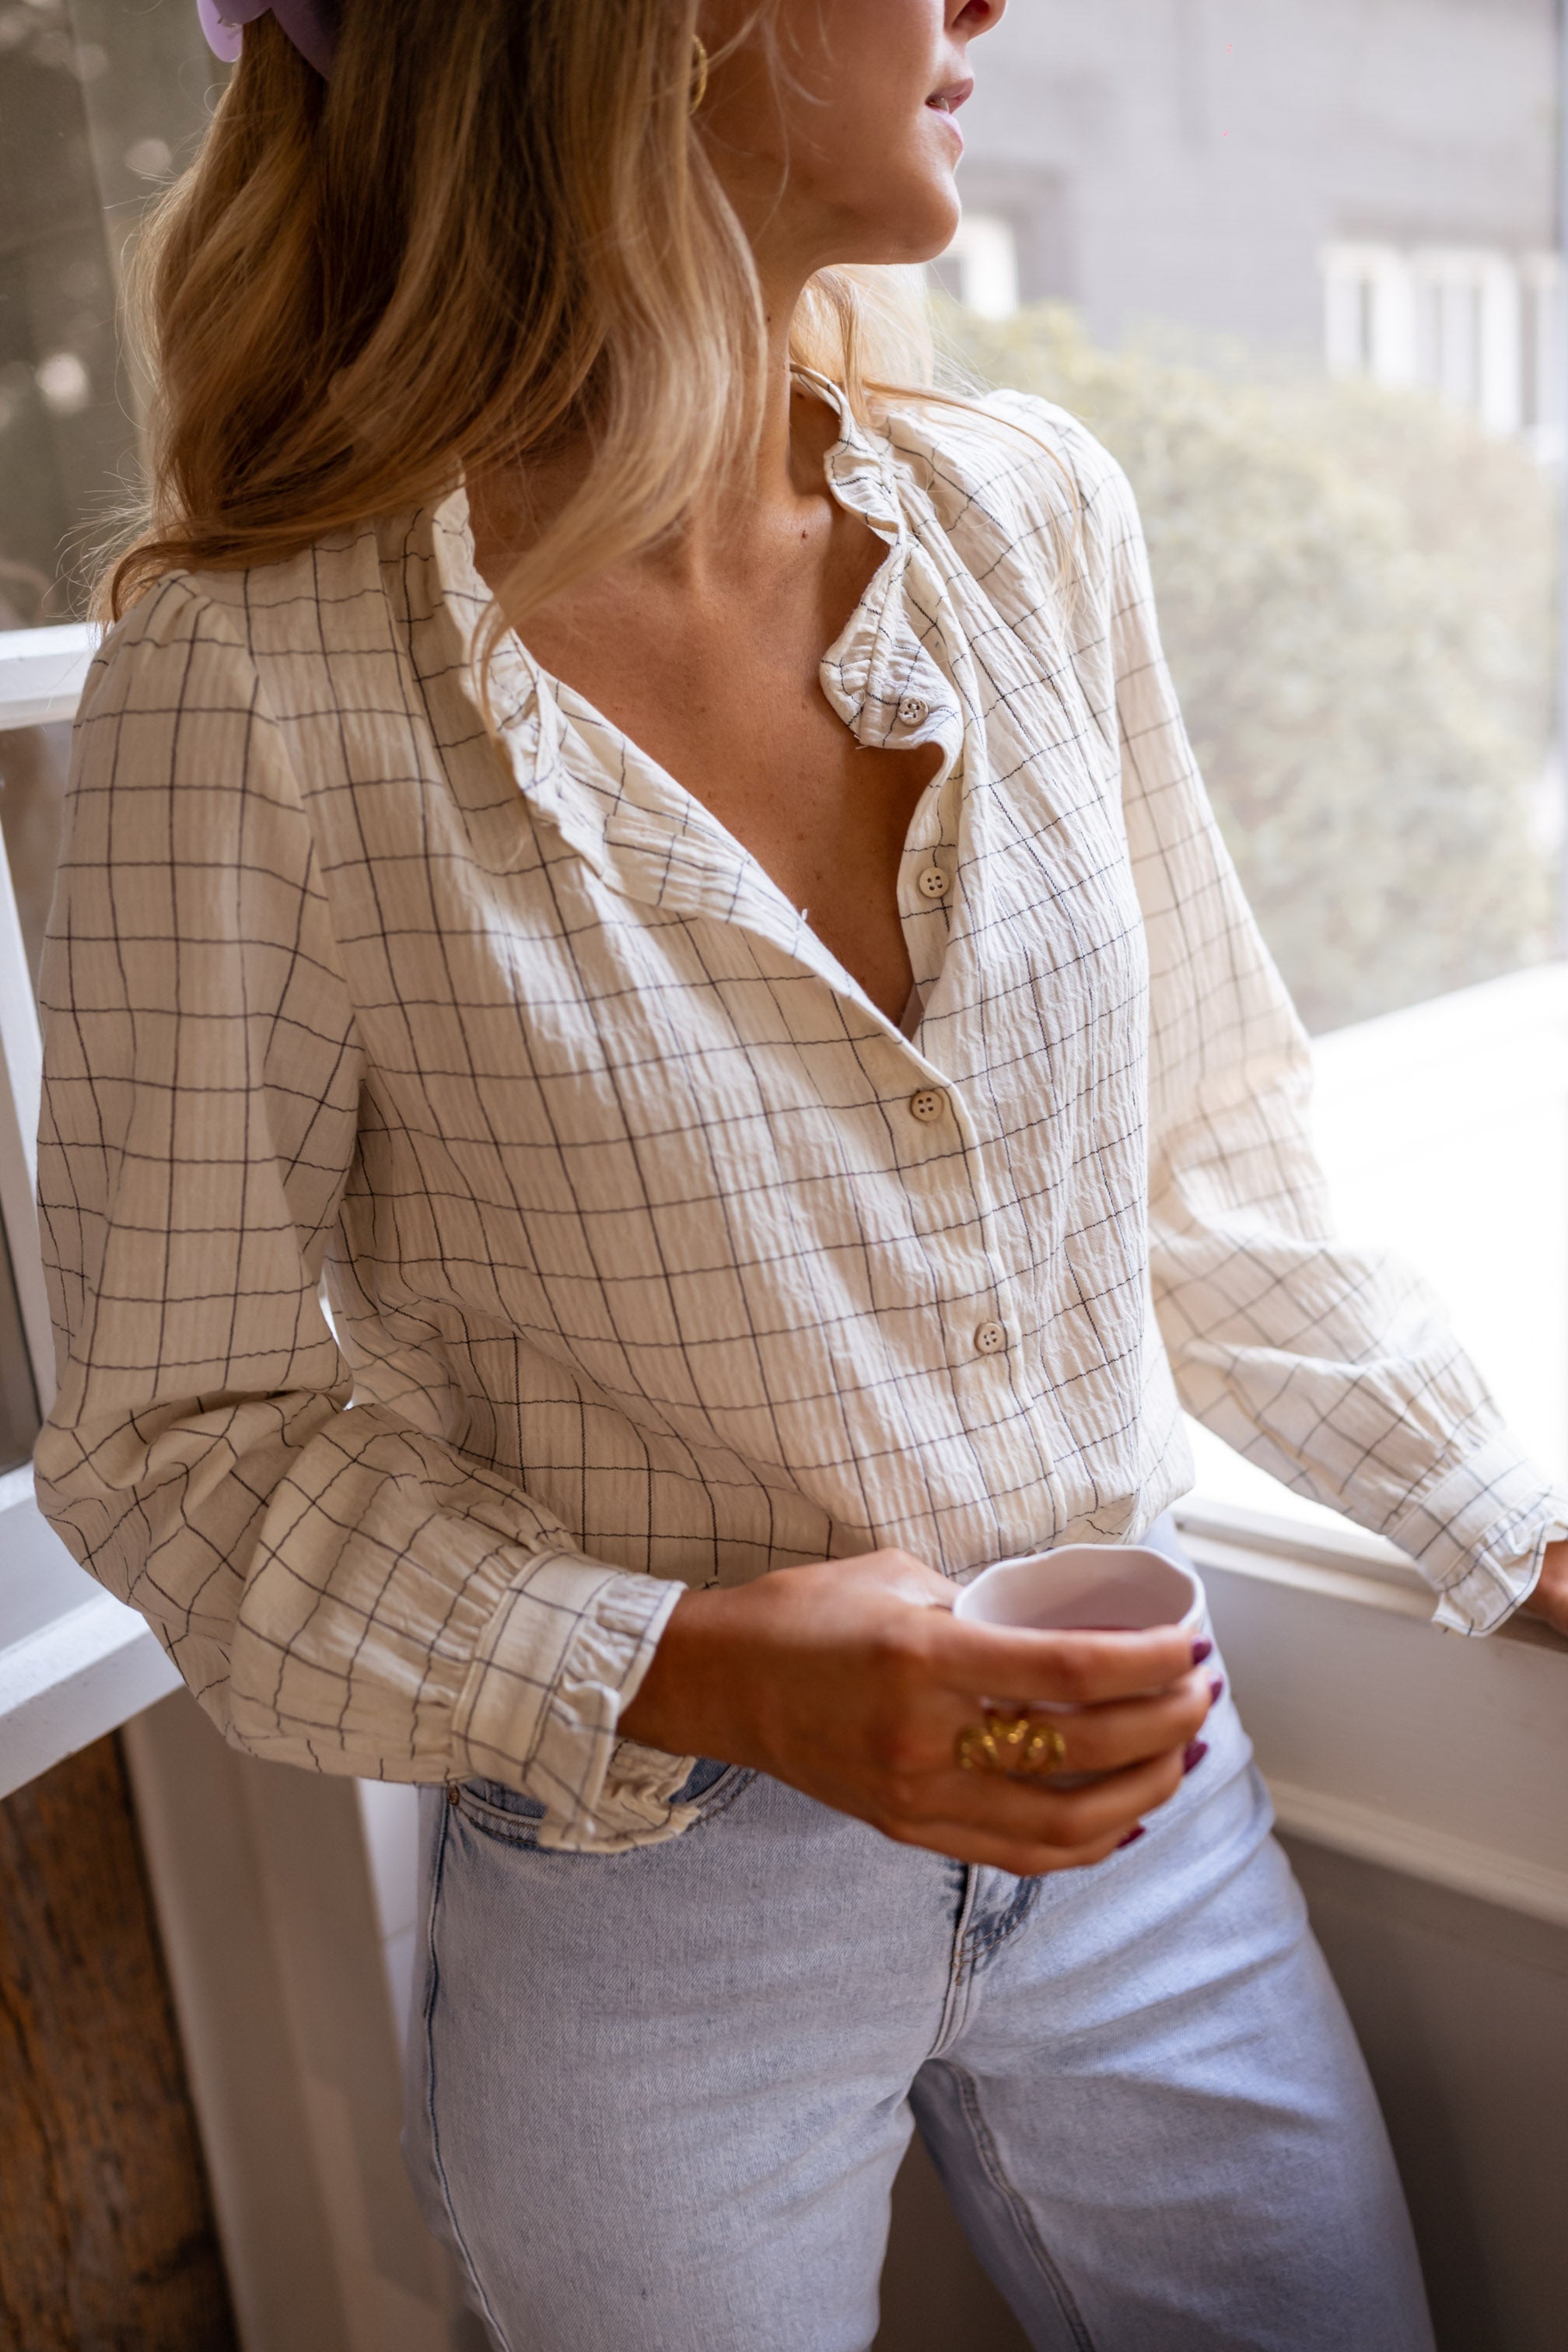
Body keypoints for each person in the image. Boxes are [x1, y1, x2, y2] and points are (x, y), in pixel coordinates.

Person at [33, 3, 1568, 2346]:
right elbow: (182, 1446)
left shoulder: (1031, 518)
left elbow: (1210, 1152)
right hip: (654, 1905)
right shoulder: (247, 703)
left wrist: (1503, 1514)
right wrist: (709, 1669)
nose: (981, 8)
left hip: (1147, 1814)